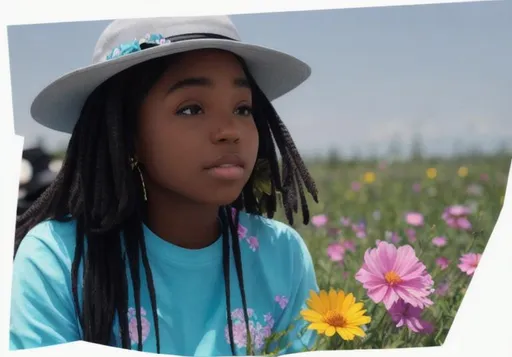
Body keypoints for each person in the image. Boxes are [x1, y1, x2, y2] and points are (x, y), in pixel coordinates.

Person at [10, 15, 320, 356]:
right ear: (127, 136)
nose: (230, 129)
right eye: (191, 109)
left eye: (243, 108)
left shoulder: (283, 255)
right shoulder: (57, 260)